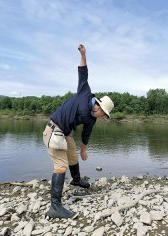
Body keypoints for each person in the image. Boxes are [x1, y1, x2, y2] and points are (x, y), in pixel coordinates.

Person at [43, 44, 114, 219]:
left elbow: (86, 133)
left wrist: (84, 149)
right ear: (98, 105)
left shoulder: (92, 118)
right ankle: (55, 207)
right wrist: (84, 54)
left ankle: (76, 179)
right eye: (103, 113)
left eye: (105, 115)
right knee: (61, 166)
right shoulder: (85, 92)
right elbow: (83, 71)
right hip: (54, 130)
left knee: (73, 156)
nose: (102, 116)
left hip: (65, 133)